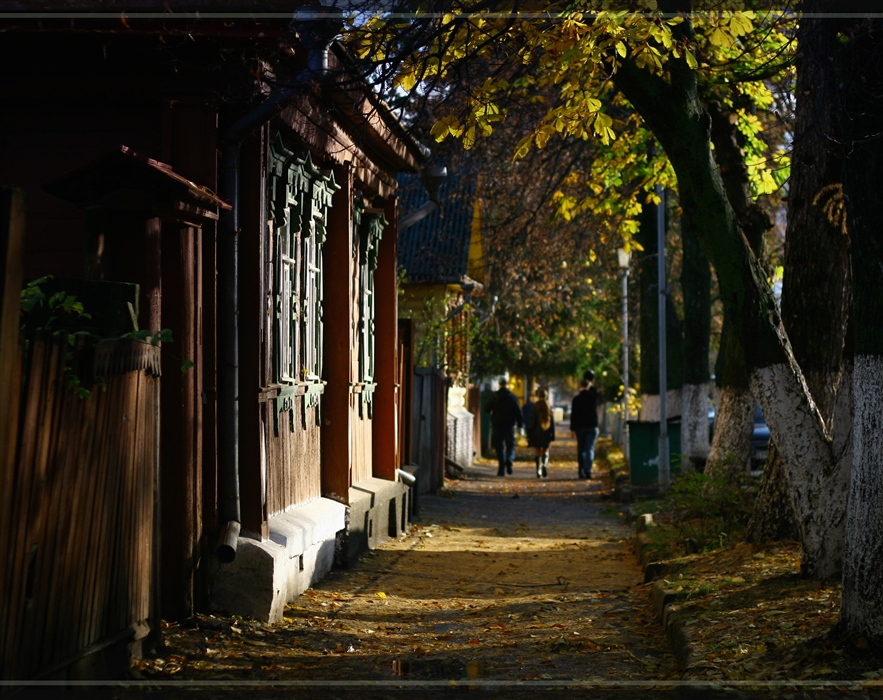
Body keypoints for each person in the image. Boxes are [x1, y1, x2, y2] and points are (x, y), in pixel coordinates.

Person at [484, 376, 523, 476]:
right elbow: (518, 412)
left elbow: (487, 409)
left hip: (497, 424)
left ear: (499, 384)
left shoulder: (494, 396)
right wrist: (520, 424)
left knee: (499, 446)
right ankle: (509, 459)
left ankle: (501, 468)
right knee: (511, 445)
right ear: (507, 383)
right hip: (509, 425)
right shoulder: (513, 397)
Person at [570, 370, 599, 479]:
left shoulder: (576, 400)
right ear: (589, 385)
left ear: (580, 386)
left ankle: (580, 471)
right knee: (590, 449)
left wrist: (572, 429)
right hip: (592, 426)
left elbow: (574, 415)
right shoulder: (593, 397)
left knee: (581, 449)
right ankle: (588, 469)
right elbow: (595, 391)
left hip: (580, 427)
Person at [527, 388, 555, 478]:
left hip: (536, 433)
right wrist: (553, 434)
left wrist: (529, 435)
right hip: (546, 432)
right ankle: (544, 465)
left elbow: (531, 422)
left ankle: (538, 470)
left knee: (537, 451)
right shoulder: (549, 406)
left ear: (538, 396)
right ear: (546, 396)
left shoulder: (535, 407)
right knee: (546, 451)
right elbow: (552, 422)